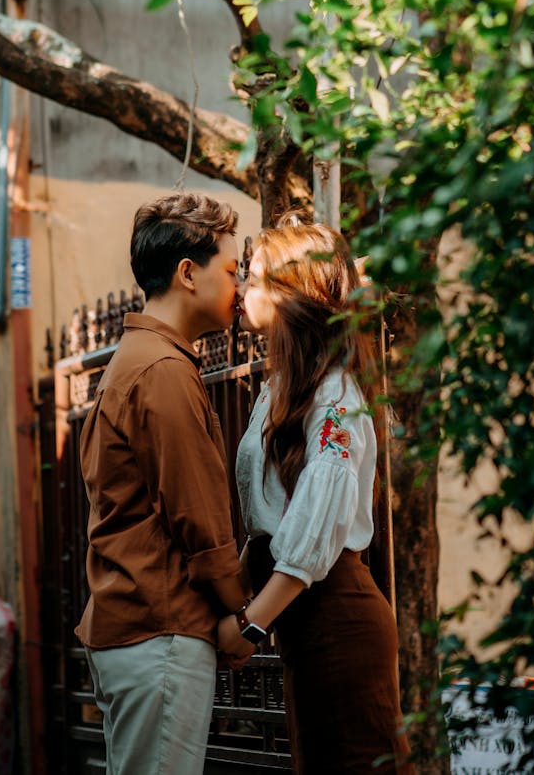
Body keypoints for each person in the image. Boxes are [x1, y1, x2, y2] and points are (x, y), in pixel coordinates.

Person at [218, 218, 413, 774]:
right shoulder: (285, 387)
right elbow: (271, 521)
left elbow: (308, 537)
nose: (239, 291)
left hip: (337, 623)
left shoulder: (334, 393)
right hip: (305, 628)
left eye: (251, 279)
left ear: (290, 296)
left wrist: (252, 625)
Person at [75, 192, 250, 775]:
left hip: (137, 629)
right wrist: (243, 615)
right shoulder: (163, 371)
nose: (240, 284)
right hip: (162, 631)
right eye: (230, 269)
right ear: (187, 273)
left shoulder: (134, 360)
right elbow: (200, 518)